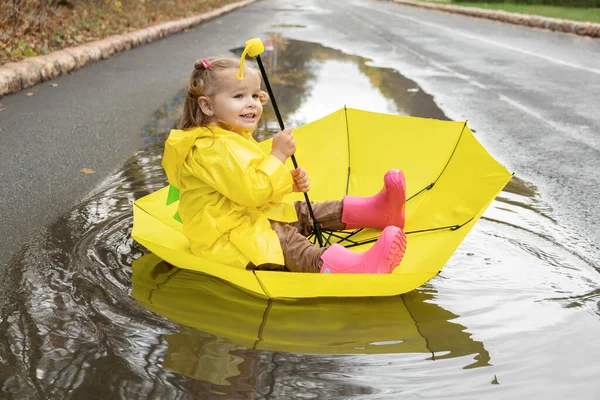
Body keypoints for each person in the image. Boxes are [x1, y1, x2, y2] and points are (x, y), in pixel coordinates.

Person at [161, 56, 407, 274]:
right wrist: (277, 157)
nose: (252, 103)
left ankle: (377, 210)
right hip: (228, 240)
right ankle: (352, 267)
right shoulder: (208, 148)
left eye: (255, 95)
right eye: (239, 96)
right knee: (285, 240)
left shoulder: (228, 136)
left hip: (244, 217)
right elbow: (251, 192)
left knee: (300, 211)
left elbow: (246, 186)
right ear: (207, 106)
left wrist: (287, 182)